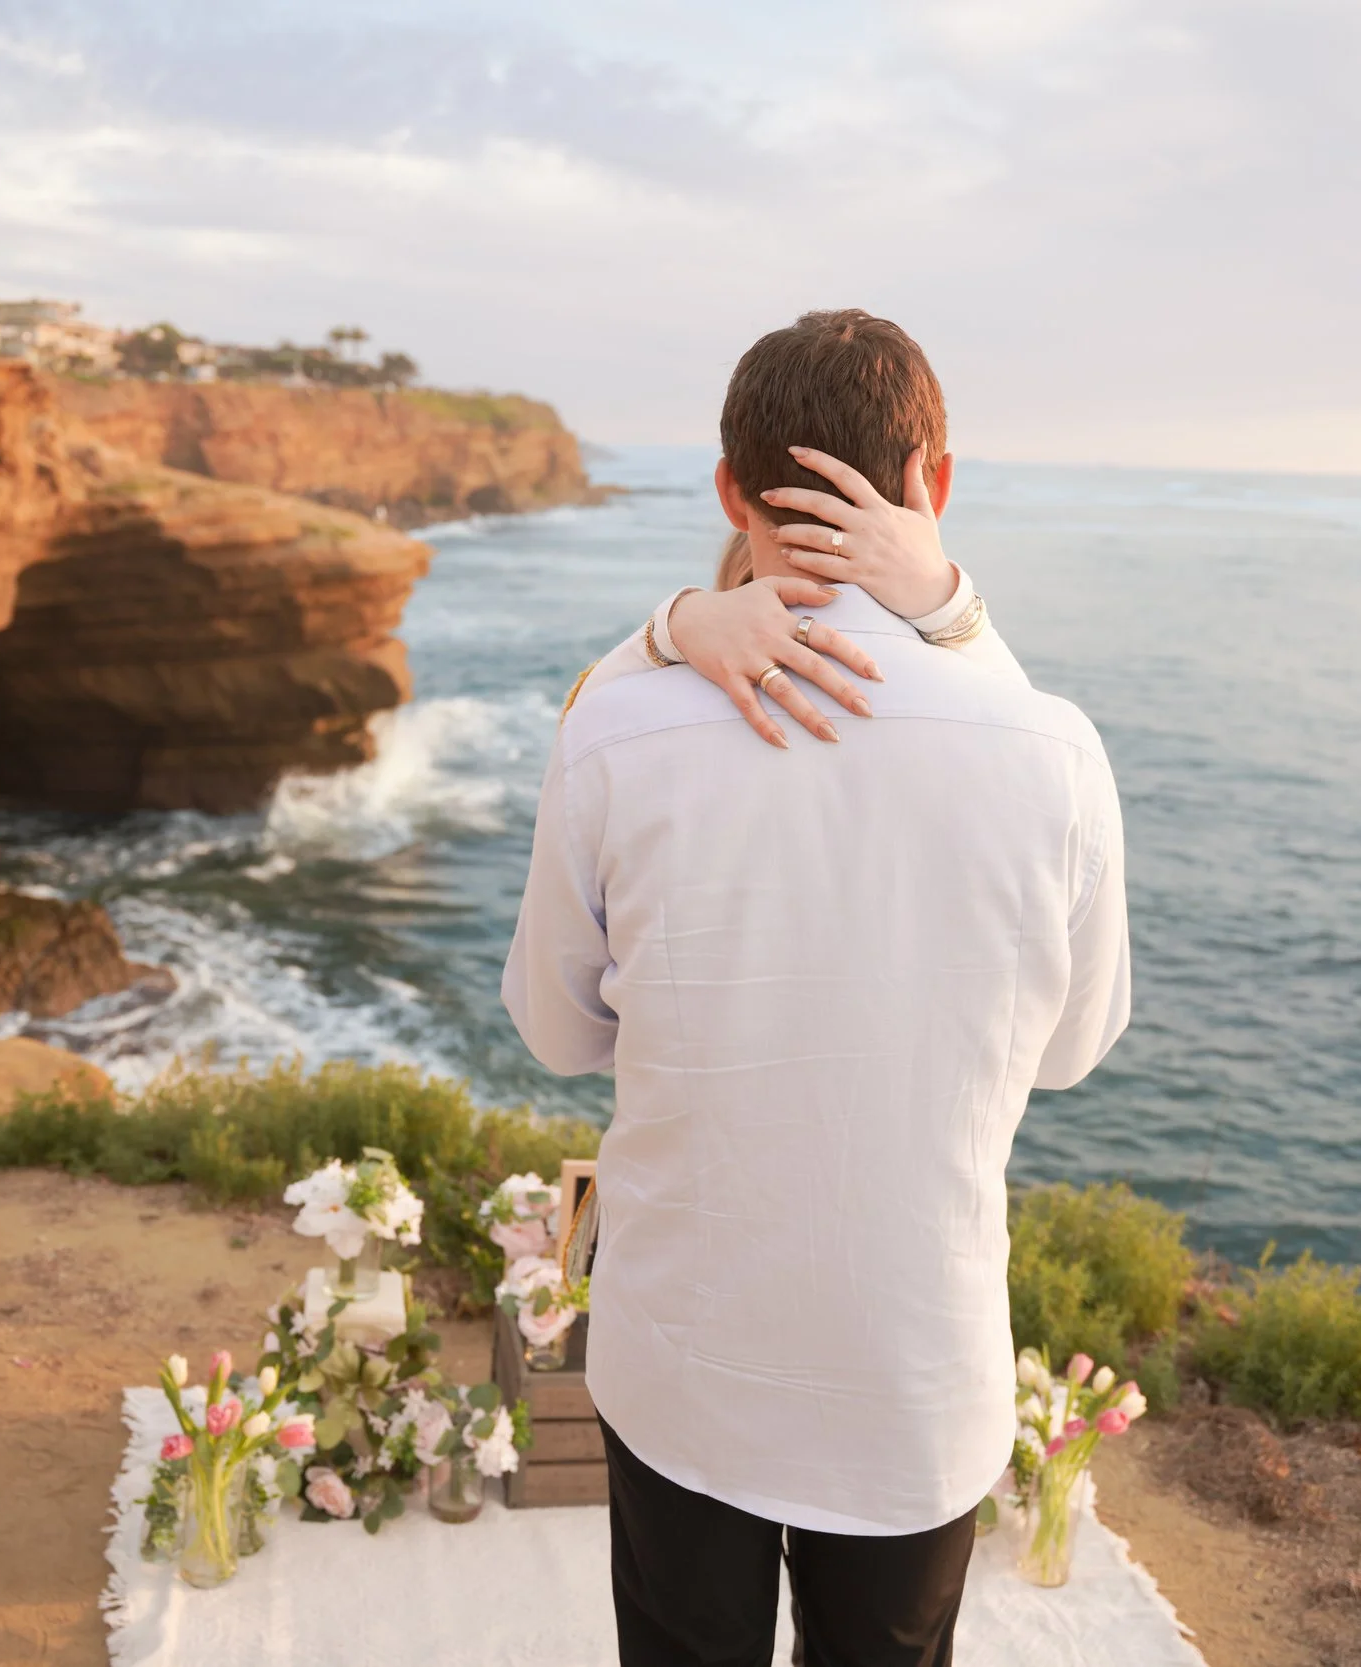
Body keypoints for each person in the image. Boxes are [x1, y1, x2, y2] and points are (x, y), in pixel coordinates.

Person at [503, 309, 1132, 1667]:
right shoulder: (1057, 752)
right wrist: (955, 612)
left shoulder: (617, 725)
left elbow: (556, 1030)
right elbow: (1071, 1049)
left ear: (729, 493)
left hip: (684, 1358)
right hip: (914, 1376)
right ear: (934, 482)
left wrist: (666, 630)